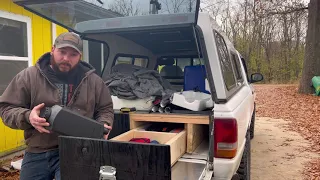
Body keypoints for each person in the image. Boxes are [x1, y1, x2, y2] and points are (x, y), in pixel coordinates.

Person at [0, 32, 114, 180]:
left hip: (78, 150)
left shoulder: (94, 81)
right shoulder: (29, 76)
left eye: (73, 54)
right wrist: (28, 116)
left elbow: (105, 108)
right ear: (52, 49)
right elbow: (6, 108)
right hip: (38, 150)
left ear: (80, 56)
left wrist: (104, 123)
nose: (66, 58)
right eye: (62, 52)